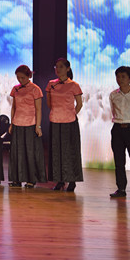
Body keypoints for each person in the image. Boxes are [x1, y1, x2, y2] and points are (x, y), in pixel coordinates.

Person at [46, 57, 83, 192]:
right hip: (55, 120)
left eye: (61, 66)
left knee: (70, 151)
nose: (58, 69)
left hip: (69, 122)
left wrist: (71, 114)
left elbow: (79, 104)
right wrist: (58, 112)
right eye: (56, 66)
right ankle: (59, 180)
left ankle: (72, 181)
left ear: (68, 68)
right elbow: (49, 103)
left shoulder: (74, 85)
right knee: (56, 152)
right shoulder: (51, 84)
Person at [7, 65, 46, 188]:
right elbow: (14, 107)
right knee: (17, 153)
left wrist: (38, 126)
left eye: (22, 77)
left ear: (29, 76)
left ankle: (31, 179)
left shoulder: (35, 89)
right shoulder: (15, 89)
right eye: (18, 77)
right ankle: (17, 179)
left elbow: (38, 109)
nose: (20, 80)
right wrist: (12, 123)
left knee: (30, 152)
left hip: (30, 124)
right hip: (17, 123)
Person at [109, 65, 130, 198]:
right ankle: (121, 188)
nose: (120, 79)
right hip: (117, 128)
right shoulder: (113, 94)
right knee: (119, 161)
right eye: (118, 77)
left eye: (123, 77)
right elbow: (113, 111)